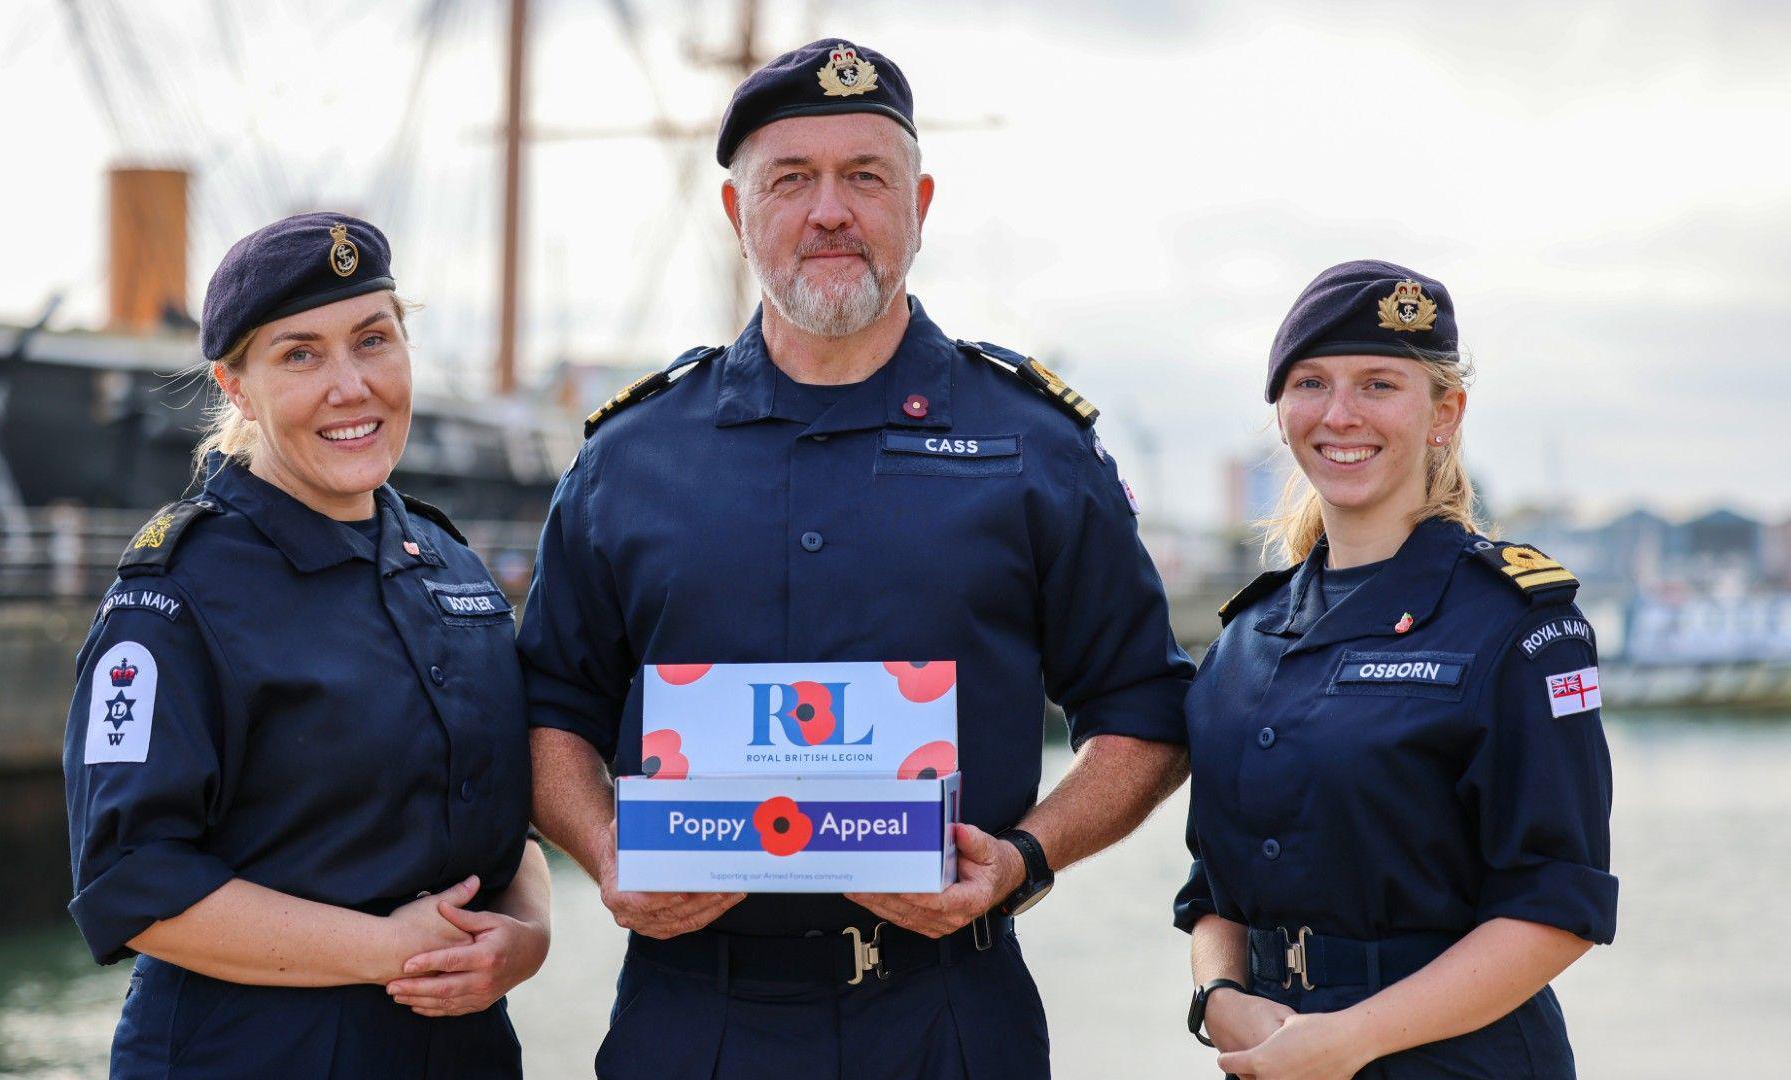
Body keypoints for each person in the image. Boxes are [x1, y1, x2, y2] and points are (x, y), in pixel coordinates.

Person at [517, 38, 1194, 1080]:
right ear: (740, 216)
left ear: (918, 204)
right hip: (693, 1015)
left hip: (948, 1015)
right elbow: (550, 706)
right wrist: (604, 849)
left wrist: (1022, 859)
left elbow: (1143, 714)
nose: (829, 211)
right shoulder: (630, 456)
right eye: (791, 180)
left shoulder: (1035, 449)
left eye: (864, 177)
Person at [62, 213, 549, 1078]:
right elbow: (130, 880)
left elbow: (504, 819)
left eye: (373, 340)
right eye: (300, 354)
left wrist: (528, 936)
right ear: (236, 386)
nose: (350, 385)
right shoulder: (176, 594)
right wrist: (384, 949)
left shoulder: (450, 566)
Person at [1174, 261, 1616, 1078]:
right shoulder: (1245, 639)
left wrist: (1351, 1038)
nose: (1340, 414)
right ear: (1282, 412)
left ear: (1444, 413)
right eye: (1311, 383)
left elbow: (1559, 905)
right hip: (1273, 1057)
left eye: (1379, 384)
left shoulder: (1521, 624)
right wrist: (1219, 999)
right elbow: (1214, 887)